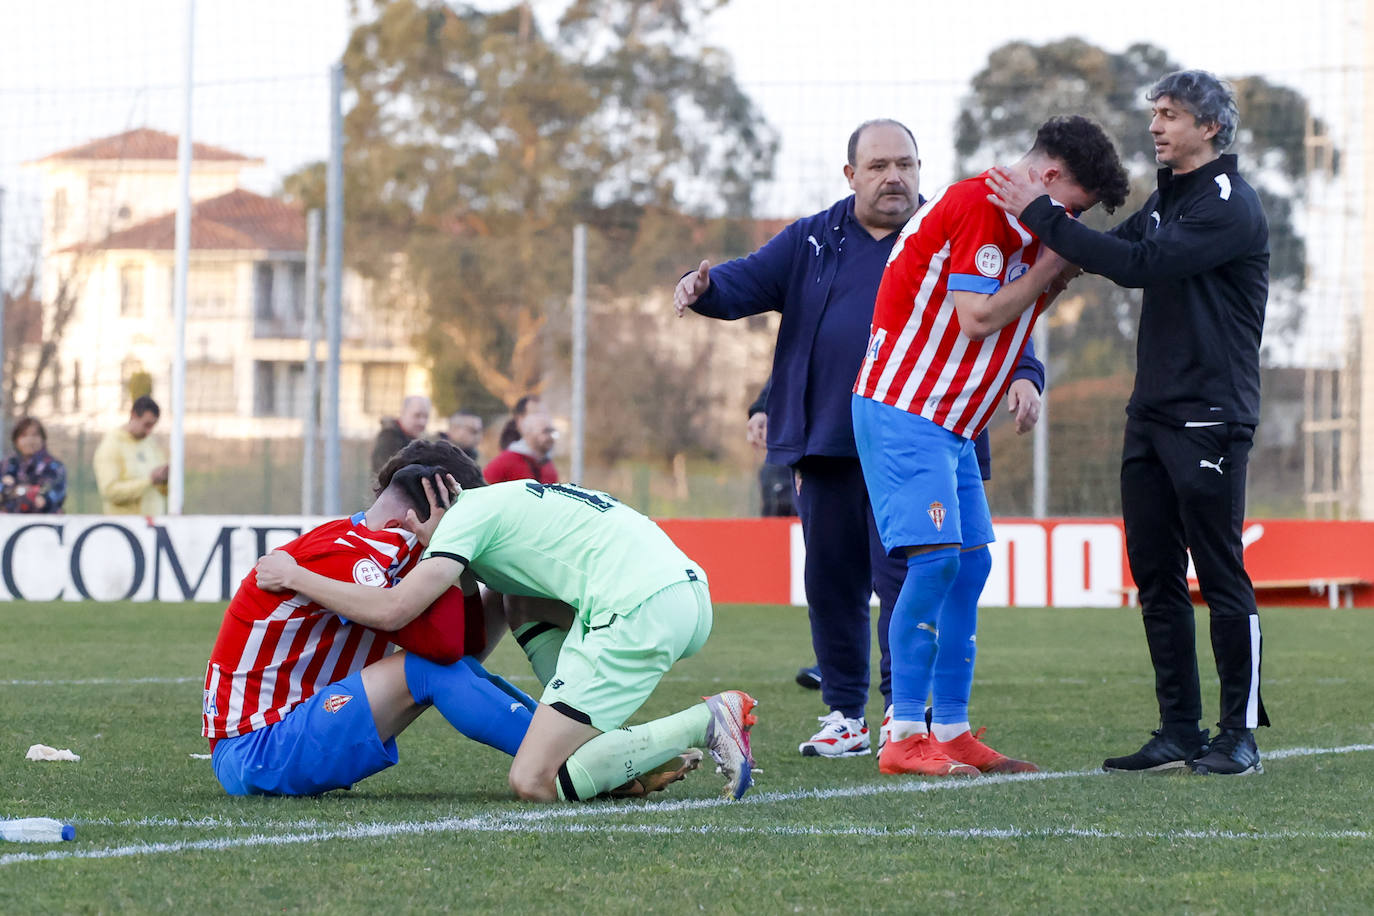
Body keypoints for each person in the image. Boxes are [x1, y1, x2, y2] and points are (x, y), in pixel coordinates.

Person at [674, 119, 1045, 760]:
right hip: (828, 441)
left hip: (923, 438)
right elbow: (744, 281)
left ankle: (909, 715)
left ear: (921, 169)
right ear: (851, 175)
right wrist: (704, 287)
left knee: (914, 574)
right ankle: (845, 714)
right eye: (878, 166)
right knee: (832, 582)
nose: (894, 177)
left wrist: (1025, 372)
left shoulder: (952, 229)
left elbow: (1003, 309)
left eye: (905, 164)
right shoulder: (813, 239)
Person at [987, 70, 1271, 776]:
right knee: (1155, 575)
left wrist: (1041, 213)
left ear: (1209, 126)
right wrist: (1042, 270)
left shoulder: (1230, 205)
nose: (1155, 126)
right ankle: (1179, 730)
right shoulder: (1169, 199)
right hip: (1150, 412)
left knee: (1220, 573)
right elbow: (1113, 251)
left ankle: (1238, 736)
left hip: (1210, 415)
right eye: (1155, 113)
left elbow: (1141, 264)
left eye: (1170, 114)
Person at [854, 115, 1128, 777]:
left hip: (953, 424)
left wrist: (1037, 327)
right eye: (1074, 207)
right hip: (906, 409)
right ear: (1049, 177)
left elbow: (1017, 309)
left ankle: (950, 729)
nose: (1071, 222)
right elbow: (976, 316)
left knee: (970, 566)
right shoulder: (981, 204)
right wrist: (1055, 264)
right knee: (933, 564)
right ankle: (902, 734)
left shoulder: (1030, 219)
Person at [255, 477, 759, 803]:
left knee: (534, 780)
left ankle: (705, 721)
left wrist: (295, 575)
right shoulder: (515, 501)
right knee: (521, 605)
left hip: (636, 606)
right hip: (686, 595)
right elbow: (469, 650)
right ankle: (608, 746)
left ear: (434, 503)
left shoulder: (463, 518)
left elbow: (395, 609)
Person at [204, 440, 536, 796]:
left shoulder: (381, 545)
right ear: (418, 518)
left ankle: (556, 738)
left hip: (280, 735)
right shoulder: (357, 552)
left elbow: (465, 649)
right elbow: (444, 649)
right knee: (425, 669)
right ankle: (554, 759)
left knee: (450, 664)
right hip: (254, 748)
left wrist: (474, 575)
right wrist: (446, 549)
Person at [93, 395, 168, 515]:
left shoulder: (150, 444)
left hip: (153, 523)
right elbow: (109, 492)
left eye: (153, 426)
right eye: (147, 425)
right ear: (133, 415)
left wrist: (165, 480)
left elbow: (163, 488)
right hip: (125, 525)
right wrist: (149, 481)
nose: (149, 431)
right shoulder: (111, 446)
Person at [484, 397, 559, 484]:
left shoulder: (548, 466)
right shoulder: (506, 461)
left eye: (544, 414)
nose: (543, 419)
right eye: (536, 414)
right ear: (520, 420)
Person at [1, 417, 68, 513]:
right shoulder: (7, 465)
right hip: (9, 520)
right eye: (24, 435)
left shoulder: (54, 466)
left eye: (35, 435)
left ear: (42, 439)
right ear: (16, 440)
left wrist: (40, 496)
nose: (29, 440)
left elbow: (53, 493)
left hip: (44, 519)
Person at [370, 395, 432, 473]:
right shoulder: (388, 437)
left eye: (426, 417)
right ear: (403, 413)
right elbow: (386, 473)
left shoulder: (415, 440)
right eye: (417, 415)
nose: (422, 422)